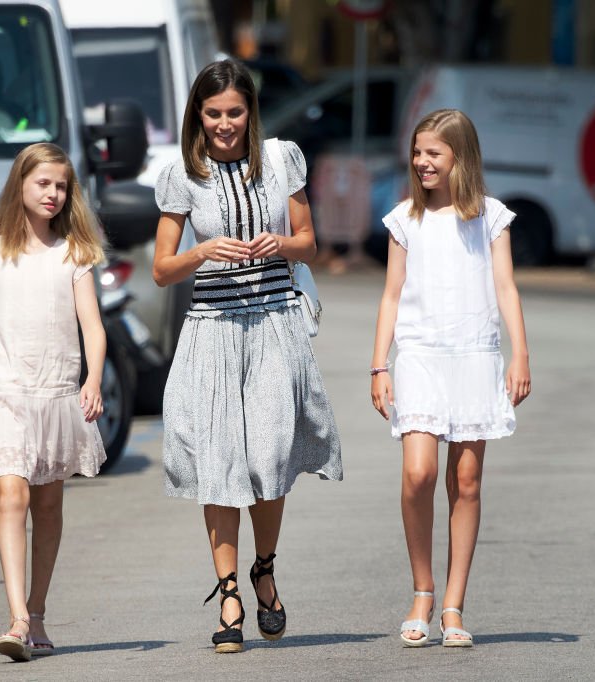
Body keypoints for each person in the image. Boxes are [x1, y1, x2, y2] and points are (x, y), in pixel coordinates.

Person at [153, 59, 342, 654]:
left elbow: (310, 243)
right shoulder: (183, 175)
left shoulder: (282, 159)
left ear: (250, 113)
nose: (225, 124)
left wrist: (279, 243)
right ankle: (229, 591)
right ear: (198, 116)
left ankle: (265, 567)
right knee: (218, 464)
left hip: (271, 327)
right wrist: (203, 249)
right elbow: (161, 270)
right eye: (214, 114)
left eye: (235, 112)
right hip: (211, 331)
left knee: (268, 457)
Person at [369, 109, 531, 648]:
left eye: (432, 153)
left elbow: (506, 288)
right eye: (417, 153)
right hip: (418, 356)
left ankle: (455, 605)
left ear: (458, 157)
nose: (421, 162)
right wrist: (378, 364)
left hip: (474, 356)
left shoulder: (491, 218)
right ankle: (422, 589)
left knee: (466, 480)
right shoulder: (403, 221)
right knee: (419, 473)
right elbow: (391, 295)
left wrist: (519, 354)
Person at [0, 142, 107, 662]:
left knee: (48, 502)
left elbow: (93, 327)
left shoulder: (74, 254)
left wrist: (94, 378)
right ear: (20, 185)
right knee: (10, 495)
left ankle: (37, 611)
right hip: (3, 394)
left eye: (62, 186)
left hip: (57, 393)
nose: (54, 194)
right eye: (43, 184)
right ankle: (16, 618)